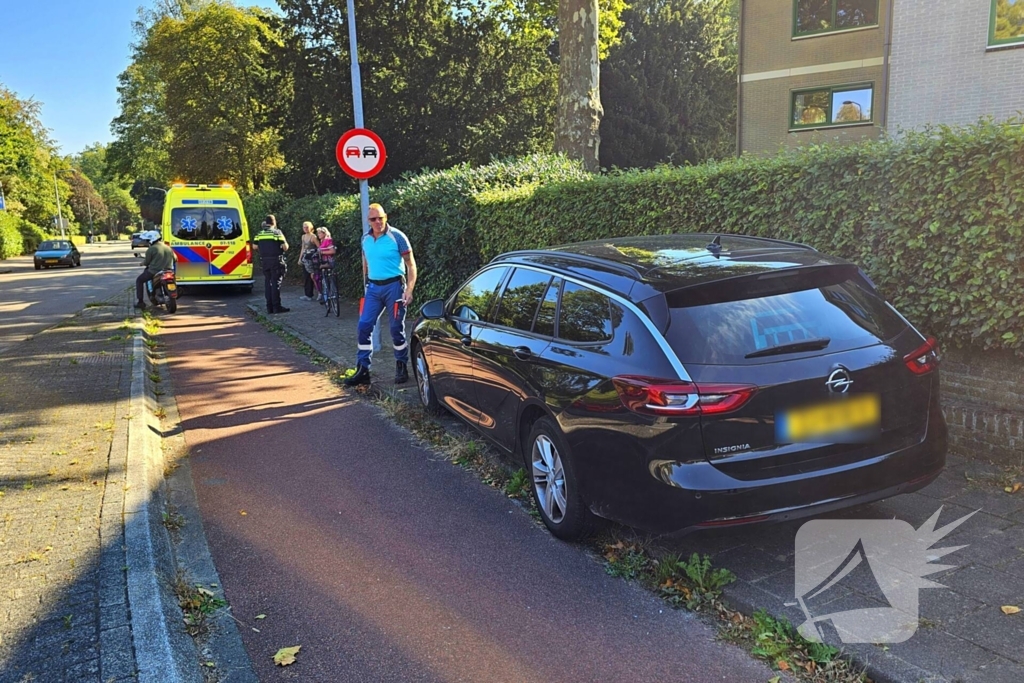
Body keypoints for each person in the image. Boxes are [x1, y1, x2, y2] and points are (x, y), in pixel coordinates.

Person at [344, 203, 417, 386]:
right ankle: (363, 369)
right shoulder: (365, 239)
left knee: (395, 328)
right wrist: (366, 283)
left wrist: (409, 290)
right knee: (364, 326)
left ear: (386, 217)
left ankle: (401, 365)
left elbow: (411, 265)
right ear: (368, 221)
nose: (377, 222)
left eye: (380, 218)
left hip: (394, 287)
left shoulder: (398, 237)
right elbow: (366, 262)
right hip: (373, 289)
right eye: (373, 219)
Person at [253, 215, 290, 314]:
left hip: (265, 261)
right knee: (275, 284)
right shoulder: (277, 232)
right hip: (276, 261)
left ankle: (269, 307)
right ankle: (277, 307)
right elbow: (285, 247)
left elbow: (254, 246)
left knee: (267, 283)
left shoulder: (259, 234)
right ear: (274, 222)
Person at [135, 231, 174, 309]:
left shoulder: (151, 249)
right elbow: (176, 259)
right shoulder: (168, 247)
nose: (147, 242)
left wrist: (142, 263)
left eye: (147, 240)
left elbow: (147, 262)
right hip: (168, 271)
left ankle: (140, 302)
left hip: (154, 271)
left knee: (139, 280)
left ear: (151, 240)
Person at [298, 221, 320, 301]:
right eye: (304, 227)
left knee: (314, 276)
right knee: (306, 276)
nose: (305, 229)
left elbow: (319, 247)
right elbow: (303, 248)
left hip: (312, 259)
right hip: (305, 258)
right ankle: (308, 294)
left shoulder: (313, 237)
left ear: (311, 227)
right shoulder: (303, 237)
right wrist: (300, 258)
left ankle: (319, 292)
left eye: (307, 227)